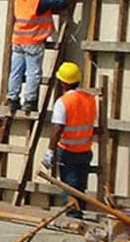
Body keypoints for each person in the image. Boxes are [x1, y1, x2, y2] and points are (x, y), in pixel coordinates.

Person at [6, 0, 86, 113]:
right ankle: (30, 101)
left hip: (17, 40)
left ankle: (12, 99)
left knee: (16, 71)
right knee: (33, 73)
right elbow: (62, 2)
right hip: (33, 41)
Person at [41, 61, 97, 219]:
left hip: (68, 150)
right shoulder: (90, 98)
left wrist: (50, 152)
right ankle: (79, 211)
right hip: (85, 149)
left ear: (63, 82)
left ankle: (73, 214)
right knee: (80, 185)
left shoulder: (63, 102)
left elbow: (57, 129)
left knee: (69, 184)